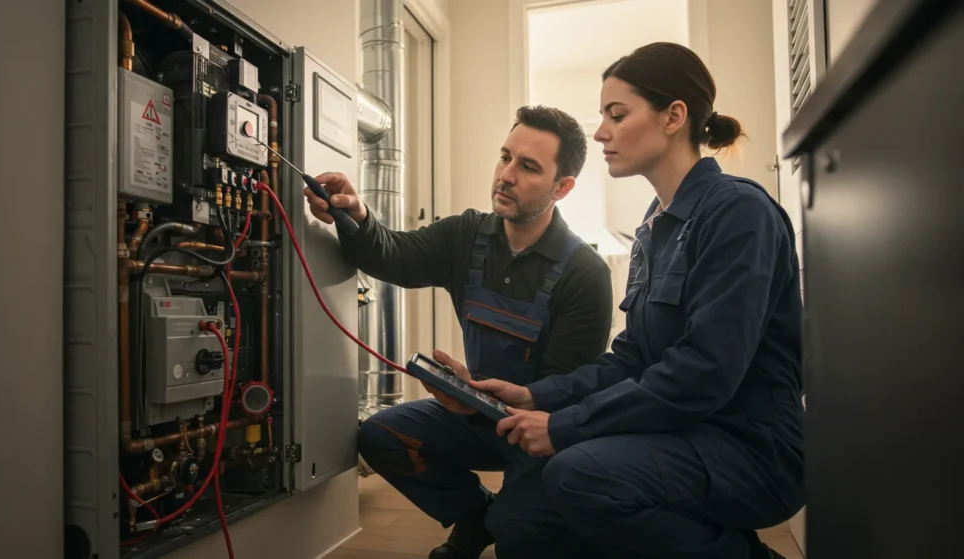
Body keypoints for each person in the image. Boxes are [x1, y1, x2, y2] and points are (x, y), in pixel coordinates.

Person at [449, 42, 804, 559]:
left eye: (617, 114)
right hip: (681, 433)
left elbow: (706, 369)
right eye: (602, 116)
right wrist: (539, 397)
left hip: (753, 450)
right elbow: (633, 357)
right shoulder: (653, 227)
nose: (600, 133)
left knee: (578, 474)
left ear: (673, 116)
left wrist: (565, 426)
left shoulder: (738, 213)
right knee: (520, 523)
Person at [304, 106, 615, 559]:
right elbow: (394, 255)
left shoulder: (585, 273)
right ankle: (474, 517)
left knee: (518, 535)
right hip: (480, 415)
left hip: (543, 431)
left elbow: (565, 391)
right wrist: (358, 213)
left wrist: (481, 397)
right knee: (380, 436)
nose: (505, 175)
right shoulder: (468, 234)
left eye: (528, 167)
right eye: (505, 157)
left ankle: (505, 520)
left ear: (562, 187)